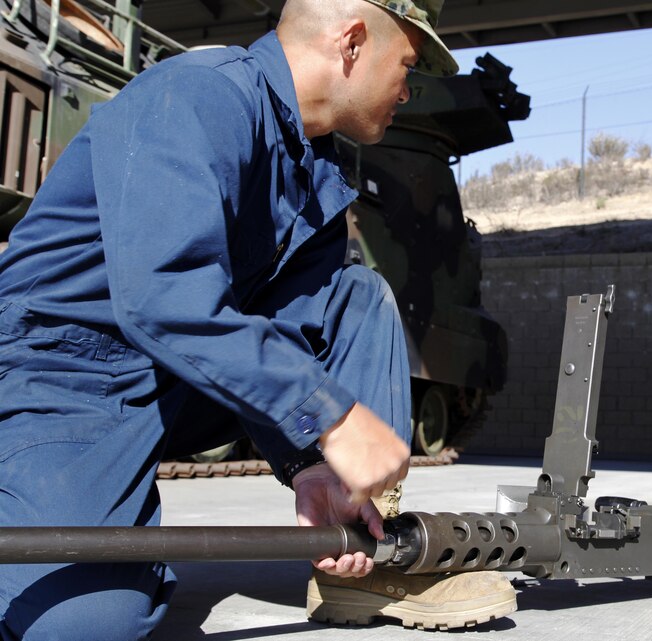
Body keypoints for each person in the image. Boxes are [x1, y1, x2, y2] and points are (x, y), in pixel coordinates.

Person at [0, 0, 514, 638]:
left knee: (358, 295)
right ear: (352, 42)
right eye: (406, 64)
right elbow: (164, 299)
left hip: (175, 382)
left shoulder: (314, 167)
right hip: (67, 379)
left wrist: (306, 465)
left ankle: (364, 549)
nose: (408, 90)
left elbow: (282, 333)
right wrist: (334, 415)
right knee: (83, 624)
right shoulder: (198, 95)